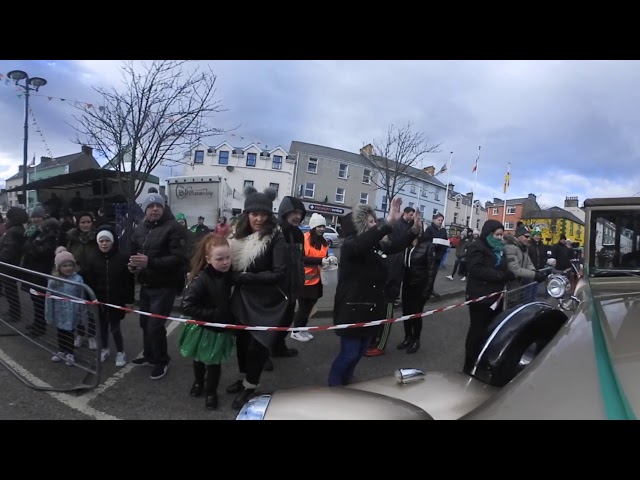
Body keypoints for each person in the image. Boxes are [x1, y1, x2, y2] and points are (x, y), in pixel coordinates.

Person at [328, 197, 419, 387]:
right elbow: (363, 243)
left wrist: (413, 231)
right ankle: (334, 387)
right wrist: (388, 223)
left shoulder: (375, 246)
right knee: (349, 354)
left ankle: (348, 378)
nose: (375, 224)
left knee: (360, 351)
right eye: (370, 222)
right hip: (351, 309)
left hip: (371, 309)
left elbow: (394, 246)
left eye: (375, 221)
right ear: (359, 226)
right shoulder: (351, 246)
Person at [226, 186, 288, 409]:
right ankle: (244, 378)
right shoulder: (237, 235)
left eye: (264, 214)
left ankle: (251, 385)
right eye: (254, 214)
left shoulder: (275, 237)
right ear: (247, 214)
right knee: (242, 342)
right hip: (243, 298)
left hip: (267, 301)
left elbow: (278, 273)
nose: (259, 219)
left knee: (257, 345)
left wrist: (243, 278)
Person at [129, 192, 188, 380]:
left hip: (165, 286)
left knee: (155, 325)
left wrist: (150, 262)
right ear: (145, 209)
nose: (155, 209)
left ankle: (162, 360)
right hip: (146, 284)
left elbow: (179, 259)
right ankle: (149, 355)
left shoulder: (174, 228)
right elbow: (135, 254)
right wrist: (132, 266)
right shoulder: (138, 230)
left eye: (158, 206)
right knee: (145, 323)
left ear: (163, 208)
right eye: (151, 206)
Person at [179, 235, 236, 410]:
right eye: (219, 259)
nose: (225, 262)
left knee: (213, 363)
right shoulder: (202, 279)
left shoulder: (230, 275)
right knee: (199, 359)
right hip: (203, 328)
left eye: (227, 257)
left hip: (220, 330)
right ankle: (198, 382)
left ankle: (211, 392)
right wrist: (213, 314)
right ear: (208, 260)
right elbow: (186, 305)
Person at [462, 220, 516, 374]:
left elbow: (502, 266)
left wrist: (508, 273)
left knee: (491, 330)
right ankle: (470, 364)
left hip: (495, 297)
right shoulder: (477, 246)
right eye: (497, 235)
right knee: (477, 330)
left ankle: (484, 360)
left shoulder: (499, 248)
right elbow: (476, 269)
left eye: (501, 235)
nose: (500, 238)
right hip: (480, 297)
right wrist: (501, 275)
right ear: (489, 233)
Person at [365, 206, 416, 356]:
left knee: (386, 318)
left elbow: (393, 271)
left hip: (389, 289)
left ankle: (380, 346)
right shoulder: (380, 248)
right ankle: (373, 340)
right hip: (379, 289)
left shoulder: (392, 251)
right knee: (376, 317)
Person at [82, 228, 135, 367]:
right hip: (98, 300)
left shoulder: (122, 258)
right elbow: (87, 280)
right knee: (103, 327)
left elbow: (128, 282)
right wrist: (88, 299)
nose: (104, 244)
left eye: (107, 241)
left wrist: (129, 301)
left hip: (116, 300)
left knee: (115, 328)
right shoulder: (92, 258)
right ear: (97, 242)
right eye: (101, 241)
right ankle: (104, 348)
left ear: (112, 242)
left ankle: (120, 352)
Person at [290, 213, 336, 343]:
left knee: (310, 307)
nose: (321, 229)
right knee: (304, 308)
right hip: (304, 280)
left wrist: (330, 258)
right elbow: (301, 258)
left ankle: (302, 328)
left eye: (323, 226)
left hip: (317, 280)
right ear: (313, 227)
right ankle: (295, 331)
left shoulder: (323, 241)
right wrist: (321, 260)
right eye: (318, 226)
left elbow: (327, 253)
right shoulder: (304, 239)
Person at [272, 195, 307, 358]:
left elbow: (301, 260)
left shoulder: (299, 234)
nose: (298, 216)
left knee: (286, 321)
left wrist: (301, 283)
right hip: (276, 289)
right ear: (284, 212)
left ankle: (279, 347)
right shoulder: (274, 232)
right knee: (272, 323)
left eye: (300, 213)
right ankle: (263, 354)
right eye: (294, 212)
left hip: (293, 289)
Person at [396, 213, 435, 355]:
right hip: (407, 285)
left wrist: (427, 290)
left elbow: (431, 271)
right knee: (406, 313)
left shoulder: (427, 246)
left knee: (416, 315)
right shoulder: (406, 245)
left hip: (420, 286)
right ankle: (407, 337)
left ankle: (415, 339)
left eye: (417, 226)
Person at [45, 247, 88, 366]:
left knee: (69, 332)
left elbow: (81, 297)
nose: (68, 268)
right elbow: (49, 297)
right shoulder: (54, 280)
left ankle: (70, 353)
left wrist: (81, 313)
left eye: (70, 265)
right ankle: (62, 350)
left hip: (72, 311)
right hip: (59, 310)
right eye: (64, 266)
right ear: (59, 267)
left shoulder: (78, 279)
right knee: (60, 332)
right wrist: (49, 313)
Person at [66, 211, 99, 350]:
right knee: (78, 307)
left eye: (88, 222)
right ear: (78, 224)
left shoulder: (97, 236)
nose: (86, 225)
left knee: (91, 309)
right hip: (76, 276)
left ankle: (91, 335)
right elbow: (67, 255)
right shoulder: (72, 237)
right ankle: (79, 334)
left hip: (93, 277)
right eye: (82, 222)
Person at [0, 207, 29, 322]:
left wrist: (1, 258)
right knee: (10, 289)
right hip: (12, 264)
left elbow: (9, 250)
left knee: (10, 290)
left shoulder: (13, 231)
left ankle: (14, 313)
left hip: (9, 265)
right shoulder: (18, 229)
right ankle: (13, 311)